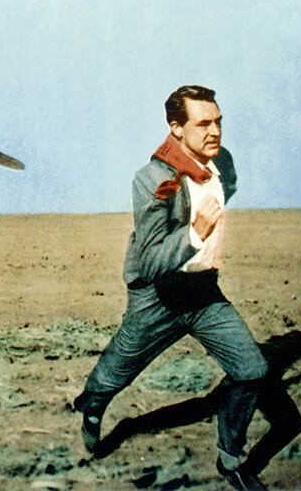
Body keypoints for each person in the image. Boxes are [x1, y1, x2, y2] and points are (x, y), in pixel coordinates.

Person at [73, 85, 269, 490]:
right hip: (158, 297)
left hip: (204, 293)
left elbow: (226, 186)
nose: (215, 131)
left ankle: (230, 459)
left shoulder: (222, 161)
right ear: (176, 128)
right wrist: (195, 233)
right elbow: (149, 261)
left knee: (253, 370)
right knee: (117, 372)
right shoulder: (152, 180)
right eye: (203, 124)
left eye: (218, 122)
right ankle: (92, 405)